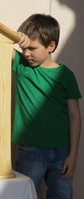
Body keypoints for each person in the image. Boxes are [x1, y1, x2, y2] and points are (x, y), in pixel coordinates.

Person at [12, 14, 82, 199]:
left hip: (62, 152)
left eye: (32, 48)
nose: (26, 53)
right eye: (23, 48)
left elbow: (75, 116)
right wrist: (16, 37)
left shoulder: (65, 75)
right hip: (30, 151)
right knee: (22, 195)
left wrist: (73, 154)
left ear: (51, 46)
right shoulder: (21, 65)